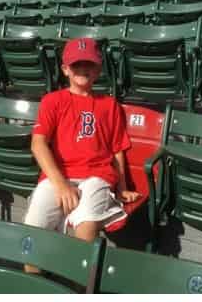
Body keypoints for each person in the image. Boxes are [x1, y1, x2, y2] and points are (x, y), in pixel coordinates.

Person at [23, 37, 138, 270]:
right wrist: (61, 184)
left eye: (89, 64)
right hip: (59, 177)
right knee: (33, 232)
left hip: (98, 175)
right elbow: (38, 144)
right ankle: (31, 285)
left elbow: (117, 150)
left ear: (98, 69)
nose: (83, 69)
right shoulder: (53, 100)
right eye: (76, 64)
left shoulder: (110, 104)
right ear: (65, 69)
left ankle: (73, 280)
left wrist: (122, 187)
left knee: (86, 221)